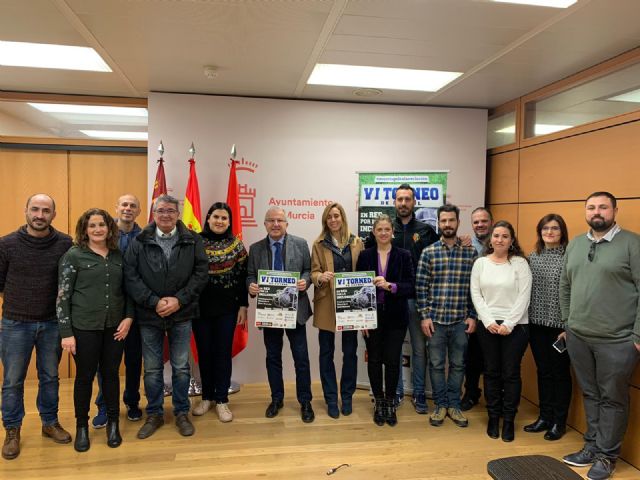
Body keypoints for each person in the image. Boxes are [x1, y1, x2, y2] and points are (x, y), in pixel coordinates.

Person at [560, 192, 640, 480]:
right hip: (578, 336)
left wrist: (637, 335)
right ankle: (592, 447)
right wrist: (568, 322)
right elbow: (565, 285)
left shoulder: (632, 244)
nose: (597, 212)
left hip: (618, 341)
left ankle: (607, 456)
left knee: (612, 399)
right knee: (591, 394)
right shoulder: (576, 244)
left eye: (603, 207)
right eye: (591, 207)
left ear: (615, 210)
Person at [124, 194, 208, 439]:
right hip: (149, 314)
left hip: (182, 313)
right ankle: (154, 414)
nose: (166, 215)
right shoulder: (139, 240)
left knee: (181, 367)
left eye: (171, 210)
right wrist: (154, 302)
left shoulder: (193, 240)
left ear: (178, 214)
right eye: (161, 210)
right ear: (154, 213)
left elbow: (201, 273)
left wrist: (179, 300)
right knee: (152, 369)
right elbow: (130, 275)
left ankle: (181, 413)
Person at [1, 194, 73, 460]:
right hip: (15, 323)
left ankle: (49, 423)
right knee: (12, 381)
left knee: (50, 376)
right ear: (26, 211)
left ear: (54, 214)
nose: (39, 215)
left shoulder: (65, 243)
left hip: (52, 323)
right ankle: (12, 430)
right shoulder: (6, 244)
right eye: (35, 209)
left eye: (45, 210)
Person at [57, 208, 134, 452]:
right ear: (85, 229)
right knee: (85, 377)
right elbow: (62, 297)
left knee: (111, 375)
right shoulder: (73, 256)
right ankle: (82, 426)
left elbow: (128, 291)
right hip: (84, 328)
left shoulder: (118, 255)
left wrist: (129, 317)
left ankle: (113, 423)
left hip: (115, 328)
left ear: (110, 228)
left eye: (102, 225)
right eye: (92, 225)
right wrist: (66, 333)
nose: (98, 229)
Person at [247, 207, 314, 423]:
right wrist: (251, 286)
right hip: (270, 311)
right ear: (265, 224)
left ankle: (305, 401)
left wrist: (305, 281)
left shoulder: (301, 244)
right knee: (273, 357)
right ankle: (277, 399)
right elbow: (250, 275)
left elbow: (308, 270)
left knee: (301, 358)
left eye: (280, 220)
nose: (275, 224)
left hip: (296, 310)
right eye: (271, 220)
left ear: (286, 223)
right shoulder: (255, 249)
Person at [416, 204, 477, 428]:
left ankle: (454, 405)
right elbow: (421, 287)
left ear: (458, 222)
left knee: (459, 365)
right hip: (436, 321)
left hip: (461, 321)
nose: (448, 224)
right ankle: (440, 405)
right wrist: (425, 316)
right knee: (436, 365)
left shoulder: (471, 253)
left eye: (451, 220)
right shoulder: (429, 252)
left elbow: (476, 288)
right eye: (443, 221)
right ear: (438, 223)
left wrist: (473, 315)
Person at [470, 220, 531, 443]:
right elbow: (476, 294)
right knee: (491, 372)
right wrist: (487, 321)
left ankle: (509, 420)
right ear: (490, 239)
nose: (500, 240)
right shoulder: (480, 263)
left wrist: (509, 324)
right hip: (487, 325)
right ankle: (493, 417)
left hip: (516, 326)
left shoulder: (520, 264)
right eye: (496, 235)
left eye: (505, 236)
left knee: (511, 373)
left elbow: (524, 296)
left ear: (511, 240)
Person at [191, 202, 248, 422]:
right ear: (208, 218)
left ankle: (222, 399)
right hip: (200, 308)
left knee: (223, 353)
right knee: (204, 353)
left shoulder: (236, 245)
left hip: (228, 309)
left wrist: (243, 305)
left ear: (229, 222)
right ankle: (207, 397)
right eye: (216, 217)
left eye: (224, 218)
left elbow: (243, 276)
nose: (220, 221)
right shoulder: (195, 241)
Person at [357, 214, 415, 426]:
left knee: (392, 361)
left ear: (392, 232)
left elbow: (411, 286)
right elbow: (357, 289)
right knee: (374, 360)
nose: (383, 233)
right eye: (379, 229)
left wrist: (391, 286)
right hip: (371, 317)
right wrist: (361, 319)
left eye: (387, 229)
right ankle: (379, 401)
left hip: (396, 317)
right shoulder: (365, 255)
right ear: (374, 232)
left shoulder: (404, 255)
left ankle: (390, 402)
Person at [92, 194, 144, 429]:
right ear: (116, 208)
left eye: (133, 206)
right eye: (124, 204)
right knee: (106, 364)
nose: (128, 208)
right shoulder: (103, 233)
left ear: (139, 211)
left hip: (137, 310)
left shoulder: (145, 237)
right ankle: (104, 405)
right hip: (108, 309)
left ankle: (132, 402)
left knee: (133, 361)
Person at [311, 202, 364, 418]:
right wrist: (320, 276)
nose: (333, 220)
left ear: (342, 217)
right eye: (329, 217)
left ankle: (347, 396)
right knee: (326, 353)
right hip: (327, 303)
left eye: (336, 215)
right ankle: (331, 398)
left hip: (351, 304)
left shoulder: (357, 242)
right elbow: (313, 272)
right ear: (325, 221)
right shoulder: (318, 244)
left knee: (350, 352)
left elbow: (364, 271)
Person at [524, 213, 571, 441]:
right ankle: (544, 417)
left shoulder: (570, 258)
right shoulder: (532, 257)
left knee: (560, 374)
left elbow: (576, 293)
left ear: (562, 232)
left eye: (555, 228)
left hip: (559, 329)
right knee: (543, 371)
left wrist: (569, 326)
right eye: (545, 229)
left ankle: (559, 422)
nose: (550, 232)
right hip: (536, 326)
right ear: (540, 232)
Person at [461, 206, 492, 411]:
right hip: (472, 311)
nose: (480, 225)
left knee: (492, 359)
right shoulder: (465, 245)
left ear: (491, 222)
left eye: (484, 221)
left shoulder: (501, 242)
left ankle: (494, 398)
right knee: (471, 357)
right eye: (476, 222)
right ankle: (471, 393)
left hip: (495, 310)